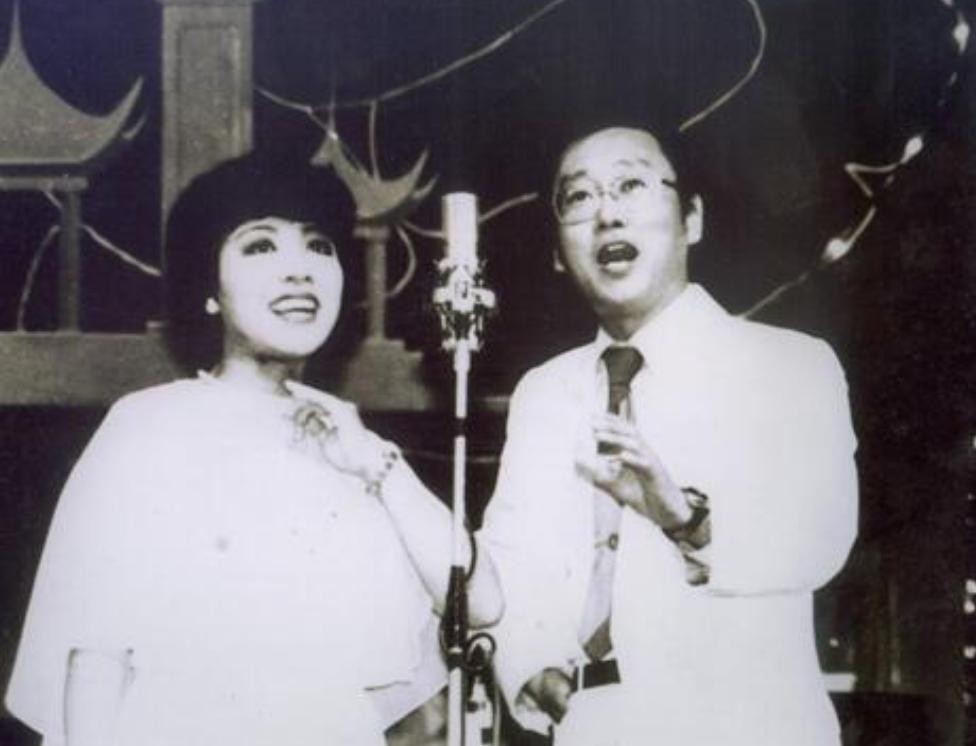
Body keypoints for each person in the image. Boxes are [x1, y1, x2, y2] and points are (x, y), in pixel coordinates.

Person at [5, 155, 502, 746]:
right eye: (261, 246)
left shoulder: (350, 442)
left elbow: (480, 604)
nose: (299, 272)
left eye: (319, 247)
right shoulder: (149, 425)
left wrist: (378, 466)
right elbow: (95, 655)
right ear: (209, 290)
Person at [479, 126, 858, 746]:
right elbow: (510, 558)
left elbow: (820, 541)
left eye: (631, 184)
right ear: (557, 252)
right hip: (589, 728)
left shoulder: (791, 365)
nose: (607, 213)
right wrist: (532, 668)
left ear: (692, 219)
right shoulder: (543, 393)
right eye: (579, 197)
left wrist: (684, 519)